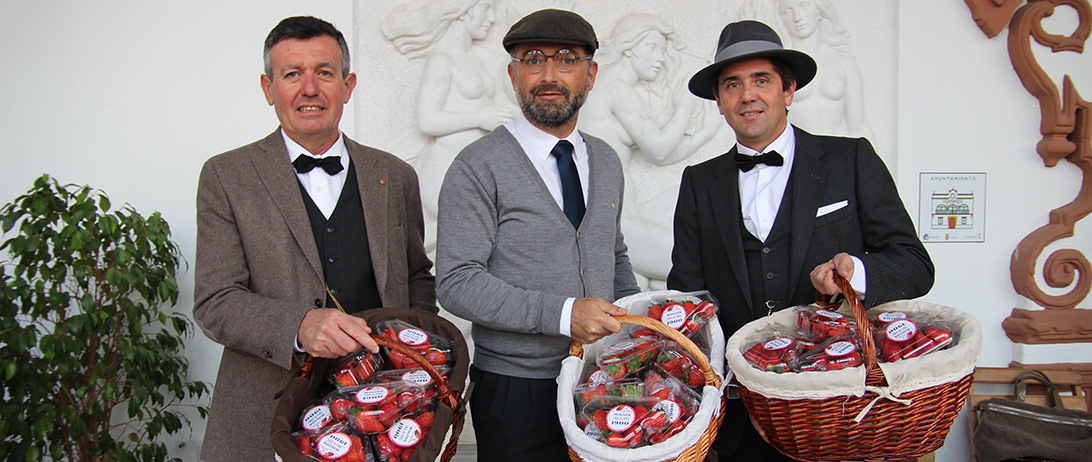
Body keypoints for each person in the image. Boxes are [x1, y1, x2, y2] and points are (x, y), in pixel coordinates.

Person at [668, 20, 932, 461]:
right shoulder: (698, 182)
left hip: (844, 407)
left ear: (788, 92)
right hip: (742, 416)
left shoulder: (851, 159)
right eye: (732, 85)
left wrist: (857, 273)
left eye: (762, 80)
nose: (747, 95)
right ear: (719, 102)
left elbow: (915, 265)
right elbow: (691, 299)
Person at [193, 16, 436, 461]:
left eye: (324, 73)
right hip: (264, 412)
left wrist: (413, 362)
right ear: (268, 89)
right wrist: (299, 326)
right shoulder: (226, 176)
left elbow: (418, 275)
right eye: (292, 74)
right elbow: (215, 301)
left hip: (382, 412)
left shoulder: (396, 176)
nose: (310, 89)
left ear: (348, 85)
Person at [435, 9, 641, 462]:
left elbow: (614, 254)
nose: (548, 74)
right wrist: (565, 314)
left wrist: (636, 329)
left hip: (601, 380)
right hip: (517, 390)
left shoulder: (605, 159)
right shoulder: (477, 165)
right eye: (532, 59)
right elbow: (457, 281)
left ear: (591, 73)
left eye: (566, 59)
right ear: (513, 74)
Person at [579, 13, 719, 287]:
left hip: (623, 213)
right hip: (613, 221)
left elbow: (663, 150)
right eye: (652, 48)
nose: (660, 58)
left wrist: (704, 132)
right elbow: (660, 150)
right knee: (692, 264)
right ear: (628, 48)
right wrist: (687, 103)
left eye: (664, 50)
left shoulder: (611, 89)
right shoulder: (616, 89)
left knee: (692, 199)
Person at [382, 0, 517, 249]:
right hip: (445, 166)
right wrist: (479, 117)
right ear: (464, 11)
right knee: (460, 230)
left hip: (477, 170)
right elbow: (427, 119)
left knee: (473, 234)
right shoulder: (442, 60)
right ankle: (397, 254)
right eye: (485, 8)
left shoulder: (482, 59)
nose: (491, 18)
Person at [776, 0, 874, 139]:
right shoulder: (779, 69)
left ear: (819, 10)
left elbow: (859, 127)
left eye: (804, 6)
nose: (797, 17)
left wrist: (870, 159)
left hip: (839, 152)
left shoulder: (845, 64)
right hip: (798, 154)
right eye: (788, 12)